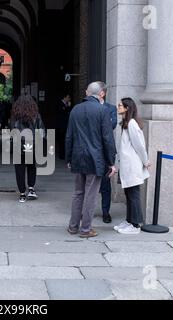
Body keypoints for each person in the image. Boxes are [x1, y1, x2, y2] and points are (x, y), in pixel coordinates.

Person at [66, 82, 117, 238]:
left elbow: (69, 136)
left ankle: (73, 226)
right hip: (96, 159)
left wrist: (68, 157)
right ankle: (86, 229)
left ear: (88, 93)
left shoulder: (75, 109)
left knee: (78, 193)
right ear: (101, 93)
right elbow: (107, 139)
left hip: (78, 157)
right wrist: (111, 162)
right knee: (91, 194)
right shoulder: (103, 111)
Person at [114, 98, 151, 235]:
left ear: (127, 108)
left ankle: (135, 225)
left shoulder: (132, 124)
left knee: (133, 194)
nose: (118, 107)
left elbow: (139, 145)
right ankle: (129, 221)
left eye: (120, 106)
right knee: (129, 194)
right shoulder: (126, 123)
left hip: (132, 165)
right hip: (127, 165)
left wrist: (145, 161)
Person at [11, 95, 46, 203]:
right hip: (32, 145)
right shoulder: (36, 115)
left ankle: (22, 194)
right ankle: (31, 189)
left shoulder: (15, 116)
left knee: (19, 170)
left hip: (18, 146)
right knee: (31, 167)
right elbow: (42, 132)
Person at [97, 82, 118, 224]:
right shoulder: (86, 107)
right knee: (87, 184)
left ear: (102, 93)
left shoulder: (111, 108)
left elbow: (113, 124)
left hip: (105, 152)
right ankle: (85, 211)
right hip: (90, 152)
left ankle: (106, 212)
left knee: (105, 185)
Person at [56, 94, 72, 160]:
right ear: (64, 97)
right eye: (68, 97)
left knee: (65, 140)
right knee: (61, 140)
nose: (69, 99)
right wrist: (68, 107)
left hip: (65, 125)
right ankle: (61, 155)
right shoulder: (60, 104)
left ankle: (64, 154)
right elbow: (64, 112)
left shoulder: (66, 104)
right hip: (61, 125)